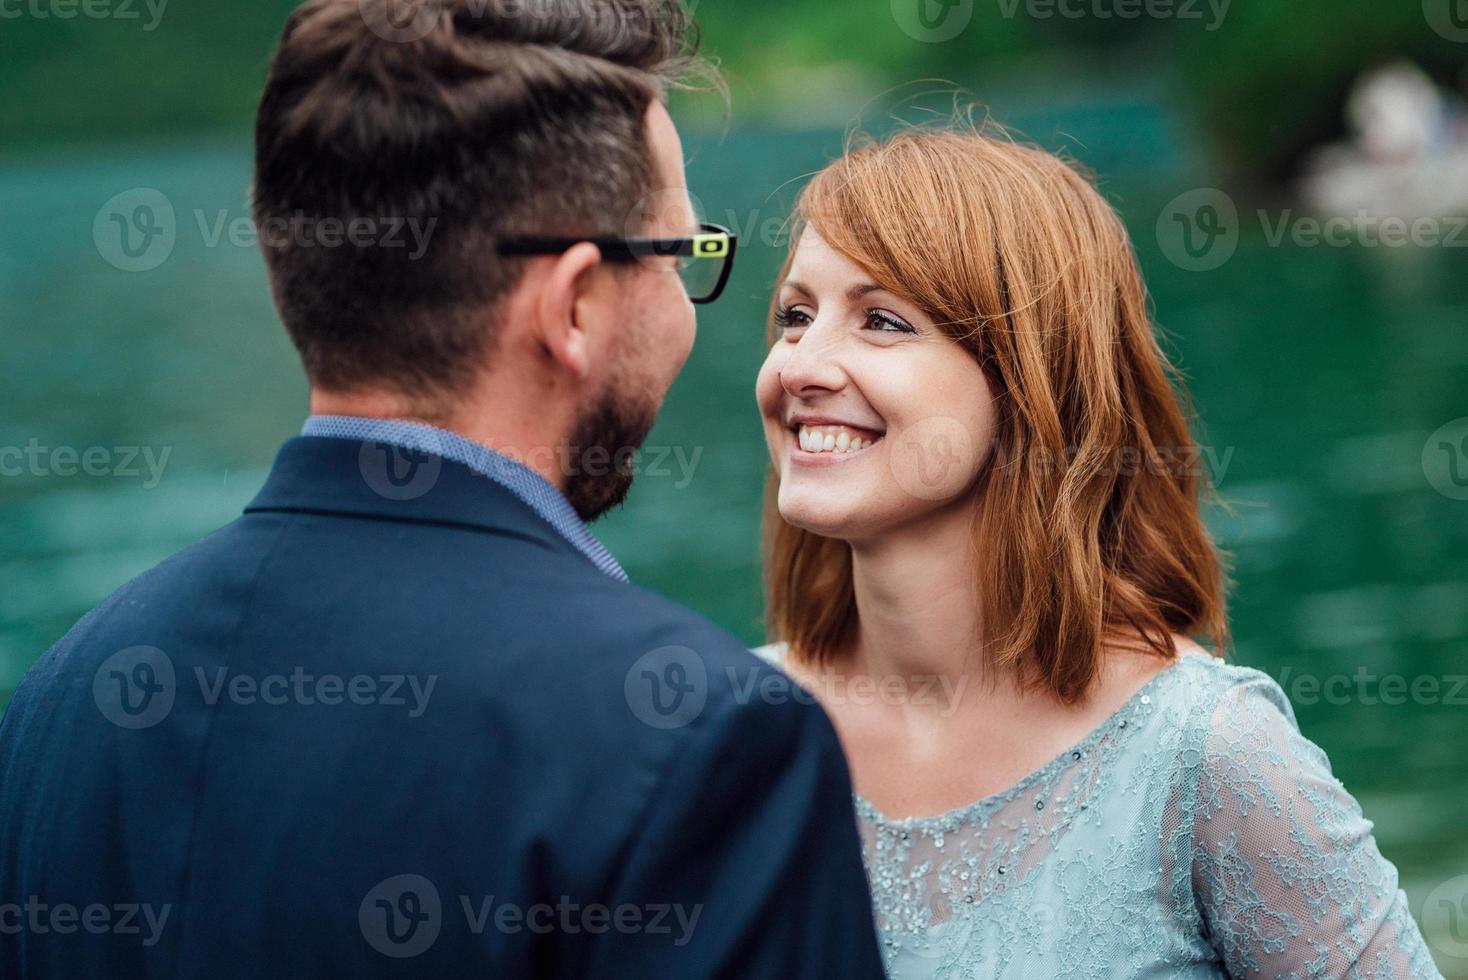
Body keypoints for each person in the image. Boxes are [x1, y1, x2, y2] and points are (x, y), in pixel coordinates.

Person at [0, 1, 885, 976]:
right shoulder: (706, 744)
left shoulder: (56, 704)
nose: (683, 309)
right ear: (575, 305)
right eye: (678, 258)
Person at [753, 122, 1444, 978]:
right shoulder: (735, 736)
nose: (800, 365)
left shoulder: (1208, 759)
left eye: (882, 321)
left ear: (1034, 379)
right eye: (795, 315)